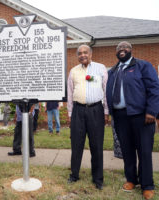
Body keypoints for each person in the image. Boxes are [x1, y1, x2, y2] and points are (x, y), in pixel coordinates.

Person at [106, 41, 159, 200]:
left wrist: (151, 111)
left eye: (125, 47)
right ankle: (131, 179)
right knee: (127, 150)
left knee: (144, 151)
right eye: (118, 48)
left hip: (141, 116)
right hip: (120, 116)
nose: (121, 50)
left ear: (131, 50)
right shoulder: (113, 71)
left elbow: (154, 89)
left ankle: (147, 185)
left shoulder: (143, 66)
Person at [67, 44, 108, 190]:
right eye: (80, 53)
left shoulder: (100, 68)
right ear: (77, 56)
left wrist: (106, 111)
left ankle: (98, 178)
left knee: (96, 145)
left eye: (85, 52)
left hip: (96, 110)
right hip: (78, 110)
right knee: (76, 144)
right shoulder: (73, 71)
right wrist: (70, 114)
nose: (82, 55)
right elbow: (70, 94)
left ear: (91, 54)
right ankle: (74, 175)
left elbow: (106, 90)